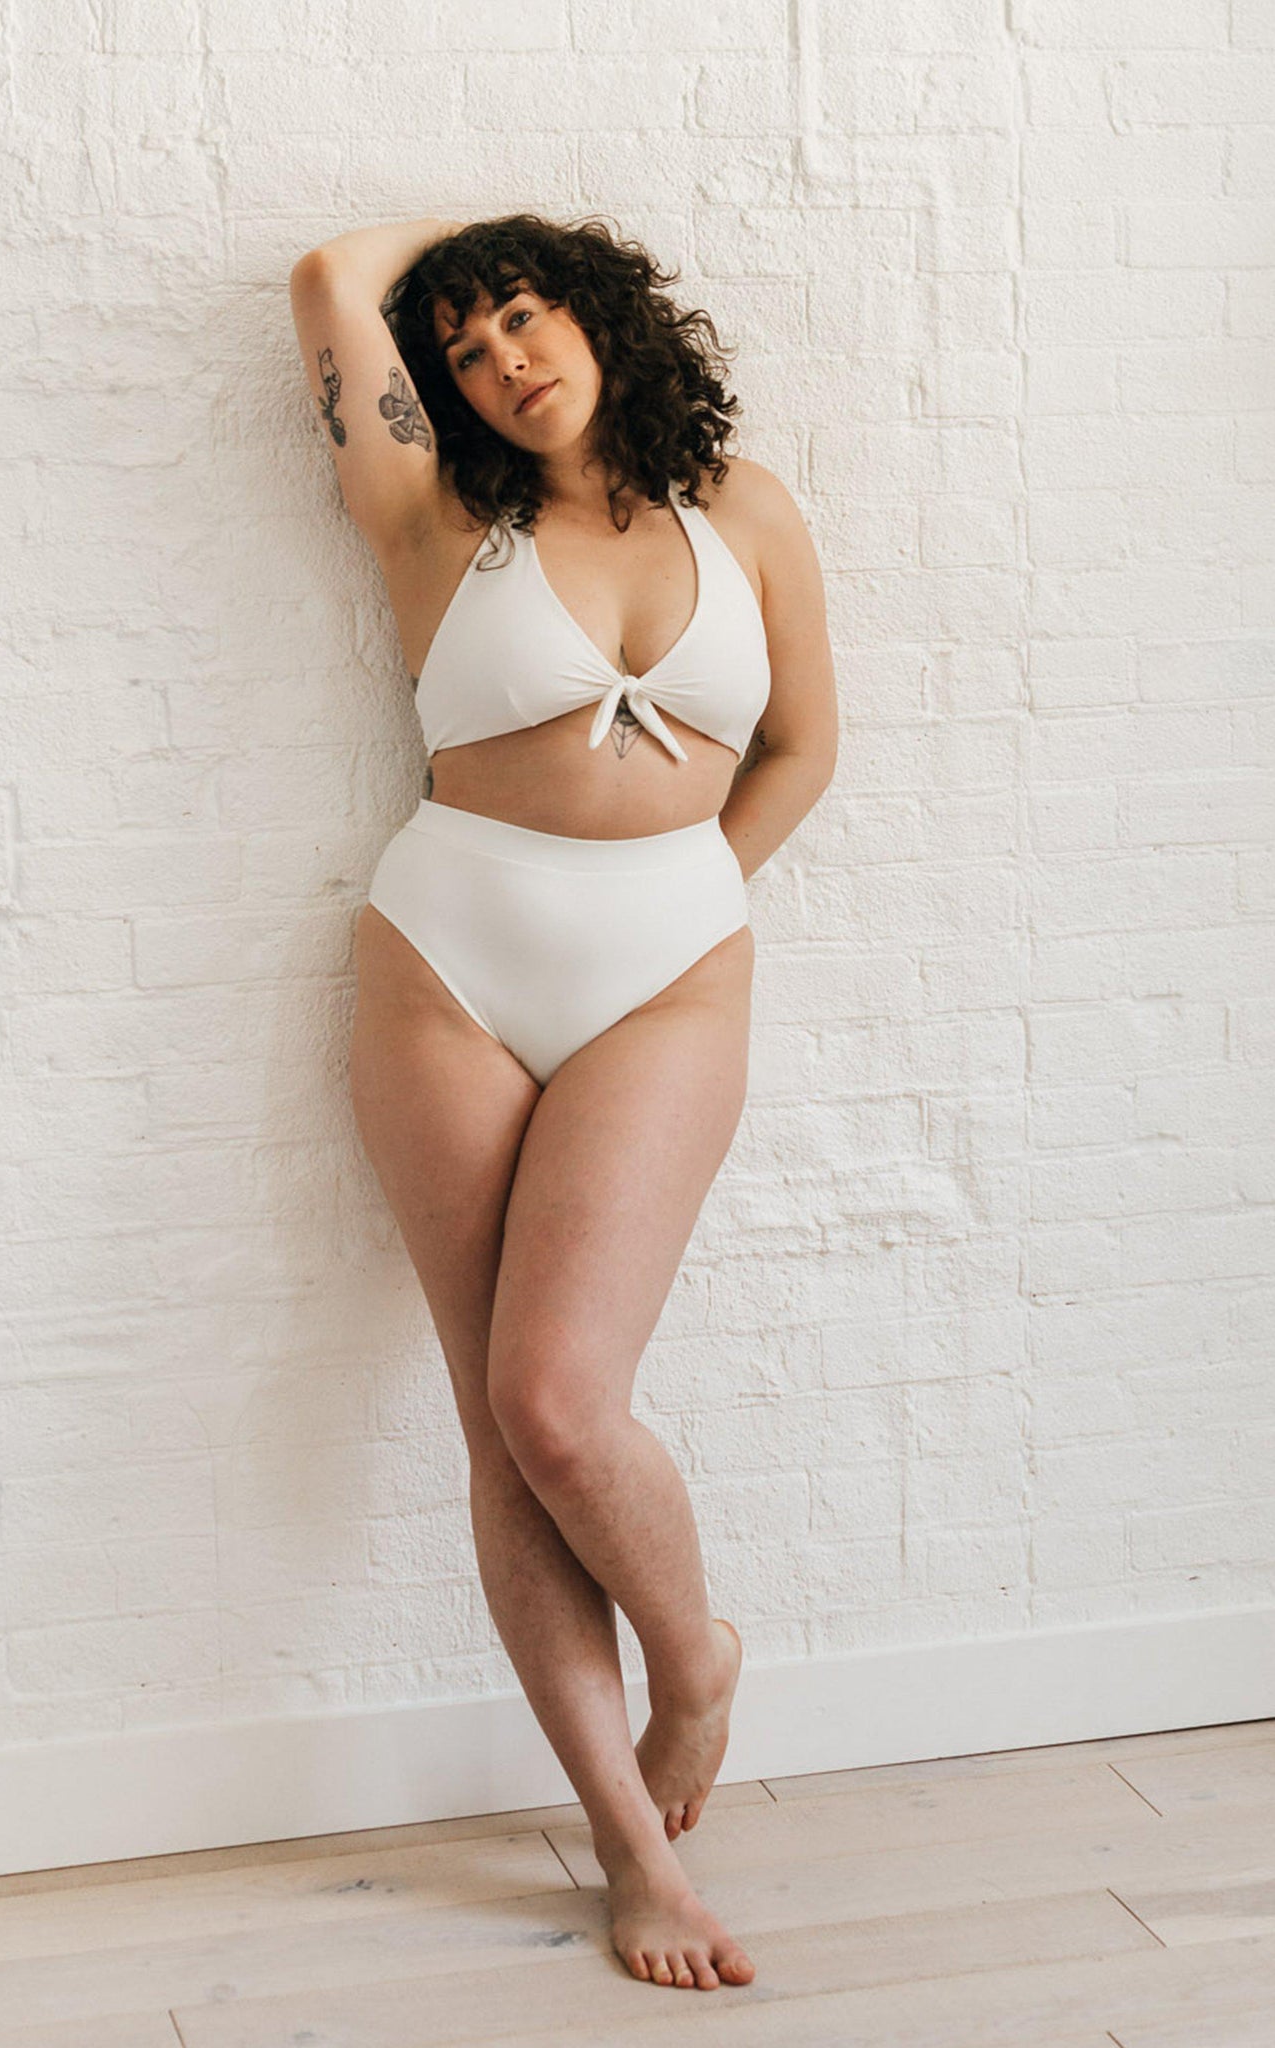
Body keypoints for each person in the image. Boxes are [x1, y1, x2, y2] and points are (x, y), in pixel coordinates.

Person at [289, 212, 837, 1992]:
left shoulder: (739, 507)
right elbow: (324, 284)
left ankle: (698, 1662)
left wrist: (701, 893)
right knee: (499, 1420)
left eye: (524, 313)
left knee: (561, 1395)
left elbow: (804, 742)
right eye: (461, 345)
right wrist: (433, 268)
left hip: (667, 976)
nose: (501, 358)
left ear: (596, 315)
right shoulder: (431, 516)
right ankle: (629, 1851)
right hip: (448, 965)